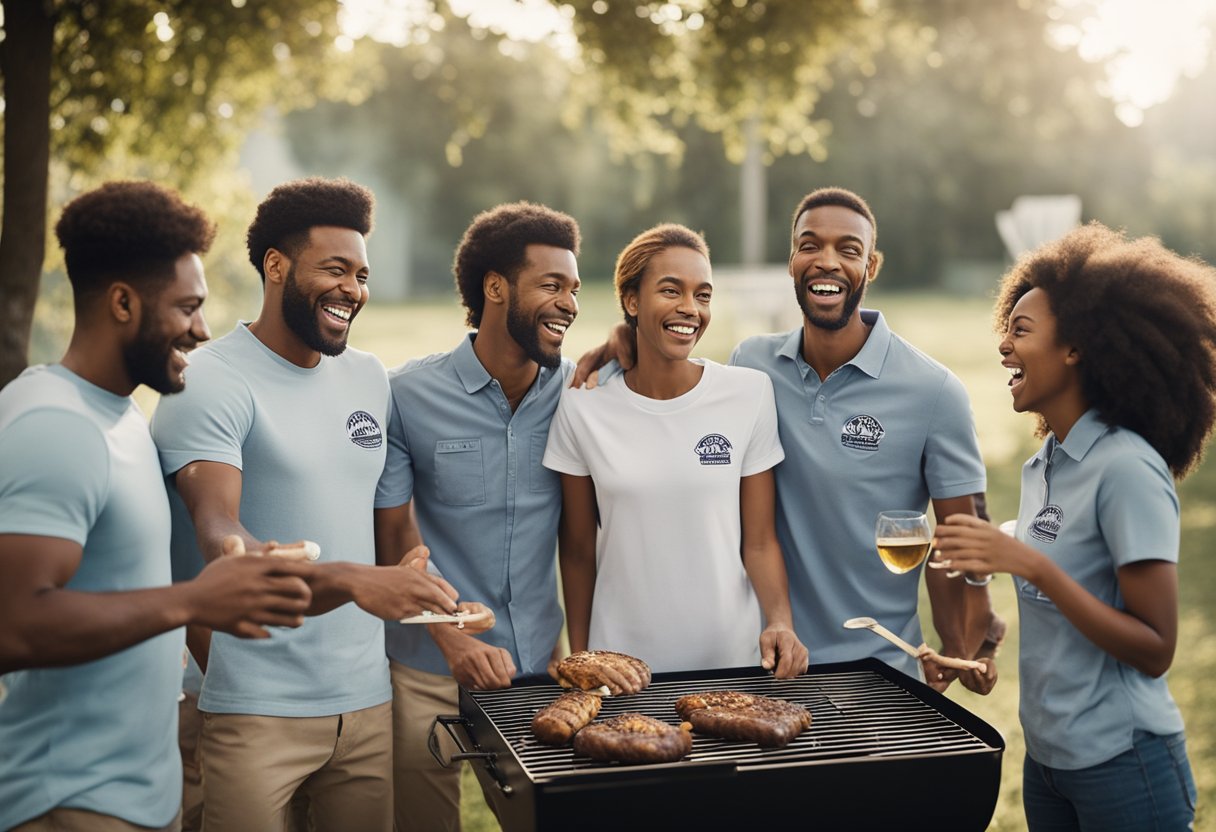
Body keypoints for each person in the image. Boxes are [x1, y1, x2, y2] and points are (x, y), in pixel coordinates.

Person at [150, 177, 484, 832]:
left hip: (364, 706)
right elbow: (222, 532)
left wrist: (412, 578)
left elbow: (378, 519)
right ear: (276, 265)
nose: (353, 290)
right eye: (335, 269)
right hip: (248, 706)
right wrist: (355, 581)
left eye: (360, 274)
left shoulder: (366, 376)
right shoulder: (209, 379)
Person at [575, 188, 995, 691]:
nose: (827, 262)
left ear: (872, 266)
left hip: (876, 671)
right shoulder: (752, 366)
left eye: (849, 250)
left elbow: (960, 542)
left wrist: (963, 645)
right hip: (764, 662)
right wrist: (625, 339)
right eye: (810, 245)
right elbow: (681, 382)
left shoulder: (934, 392)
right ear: (792, 262)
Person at [0, 181, 317, 832]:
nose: (201, 329)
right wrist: (193, 602)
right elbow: (12, 625)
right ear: (122, 302)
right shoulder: (56, 427)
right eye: (187, 307)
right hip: (68, 802)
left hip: (136, 794)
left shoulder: (118, 417)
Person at [935, 223, 1213, 830]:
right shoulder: (1046, 464)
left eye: (1021, 331)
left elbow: (1156, 647)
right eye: (1006, 330)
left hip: (1124, 760)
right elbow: (1052, 587)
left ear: (1076, 348)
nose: (1004, 346)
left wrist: (1030, 564)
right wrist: (981, 640)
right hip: (1048, 765)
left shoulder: (1127, 468)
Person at [373, 201, 581, 832]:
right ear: (495, 287)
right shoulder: (407, 395)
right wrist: (451, 634)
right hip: (426, 665)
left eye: (573, 289)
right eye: (551, 285)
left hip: (539, 667)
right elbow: (394, 534)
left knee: (547, 821)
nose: (569, 303)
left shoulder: (580, 391)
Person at [545, 223, 809, 676]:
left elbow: (761, 541)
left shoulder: (748, 394)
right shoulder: (582, 408)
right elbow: (577, 550)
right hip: (621, 668)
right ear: (631, 301)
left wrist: (780, 622)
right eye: (671, 291)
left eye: (703, 295)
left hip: (730, 662)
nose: (690, 309)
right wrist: (584, 658)